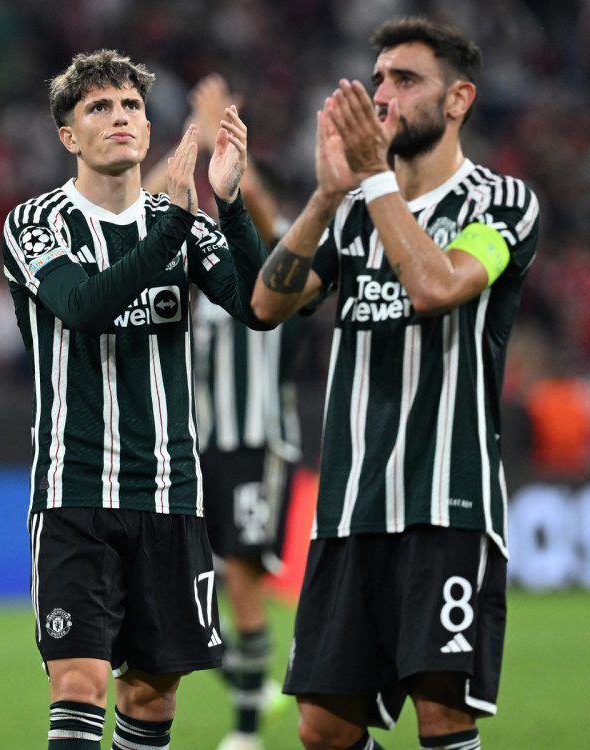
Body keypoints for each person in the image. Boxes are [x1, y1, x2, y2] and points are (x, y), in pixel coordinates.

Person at [251, 17, 538, 750]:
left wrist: (375, 178)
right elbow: (266, 304)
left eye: (405, 80)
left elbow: (437, 286)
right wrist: (323, 197)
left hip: (446, 500)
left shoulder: (500, 204)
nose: (383, 94)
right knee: (323, 730)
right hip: (350, 508)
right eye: (378, 79)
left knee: (441, 711)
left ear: (458, 99)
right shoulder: (350, 214)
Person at [2, 49, 271, 749]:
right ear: (69, 136)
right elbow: (83, 305)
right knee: (81, 682)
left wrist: (233, 205)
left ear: (149, 130)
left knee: (153, 694)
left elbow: (260, 308)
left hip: (171, 494)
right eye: (99, 107)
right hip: (74, 491)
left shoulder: (183, 223)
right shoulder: (37, 224)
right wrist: (175, 229)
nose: (119, 118)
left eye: (130, 106)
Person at [145, 73, 303, 750]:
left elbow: (265, 218)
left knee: (241, 574)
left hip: (257, 436)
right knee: (190, 585)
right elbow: (136, 207)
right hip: (195, 442)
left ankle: (245, 730)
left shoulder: (283, 242)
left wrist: (225, 156)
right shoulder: (195, 252)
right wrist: (187, 144)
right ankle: (254, 686)